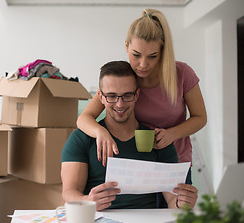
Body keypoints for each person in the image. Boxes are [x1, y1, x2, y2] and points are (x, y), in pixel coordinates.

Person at [76, 9, 207, 187]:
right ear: (126, 46)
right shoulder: (124, 80)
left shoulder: (182, 74)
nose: (143, 65)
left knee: (176, 214)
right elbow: (84, 119)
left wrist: (172, 134)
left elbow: (200, 118)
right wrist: (101, 132)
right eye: (136, 55)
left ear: (162, 52)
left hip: (175, 165)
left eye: (152, 56)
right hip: (138, 167)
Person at [61, 61, 198, 211]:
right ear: (100, 97)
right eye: (111, 96)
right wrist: (88, 200)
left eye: (127, 95)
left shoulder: (157, 140)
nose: (119, 104)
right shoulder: (81, 139)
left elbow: (172, 200)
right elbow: (68, 194)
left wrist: (182, 202)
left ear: (137, 95)